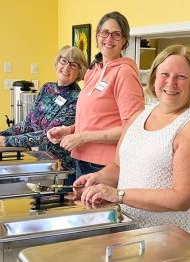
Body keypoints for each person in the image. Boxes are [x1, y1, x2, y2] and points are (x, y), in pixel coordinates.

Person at [73, 44, 190, 239]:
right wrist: (97, 178)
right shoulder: (138, 117)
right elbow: (118, 166)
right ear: (154, 78)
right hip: (129, 235)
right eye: (164, 74)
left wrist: (119, 195)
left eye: (181, 77)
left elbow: (181, 198)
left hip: (172, 245)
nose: (171, 83)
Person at [47, 11, 145, 177]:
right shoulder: (93, 71)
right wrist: (70, 130)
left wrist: (83, 137)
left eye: (116, 35)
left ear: (124, 41)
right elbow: (95, 121)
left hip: (105, 166)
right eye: (105, 33)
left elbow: (133, 129)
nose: (109, 39)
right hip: (82, 160)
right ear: (97, 35)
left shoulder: (124, 73)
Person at [0, 45, 87, 172]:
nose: (66, 68)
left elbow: (49, 135)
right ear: (57, 62)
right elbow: (28, 124)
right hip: (42, 162)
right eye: (64, 61)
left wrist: (5, 141)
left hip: (63, 169)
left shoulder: (78, 98)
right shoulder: (47, 88)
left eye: (74, 65)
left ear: (80, 71)